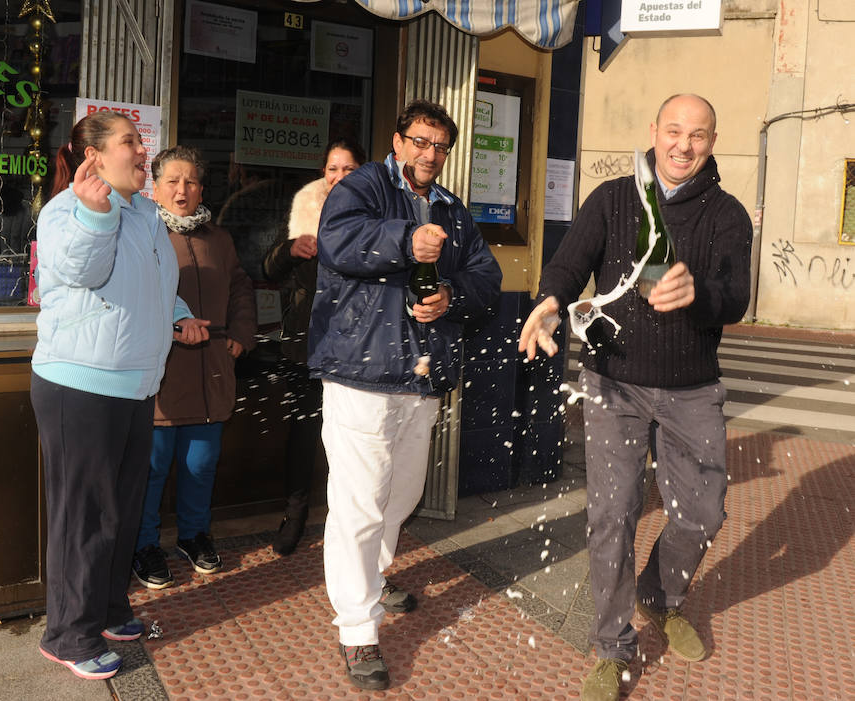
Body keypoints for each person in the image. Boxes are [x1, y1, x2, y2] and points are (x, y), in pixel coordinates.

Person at [519, 94, 753, 701]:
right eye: (673, 131)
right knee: (612, 515)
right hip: (613, 381)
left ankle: (659, 595)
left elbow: (734, 299)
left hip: (692, 388)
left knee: (703, 513)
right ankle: (611, 646)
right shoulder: (614, 199)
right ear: (654, 131)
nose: (683, 145)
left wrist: (695, 294)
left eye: (697, 135)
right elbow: (570, 266)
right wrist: (549, 301)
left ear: (712, 141)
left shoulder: (727, 215)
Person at [309, 99, 502, 690]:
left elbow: (485, 278)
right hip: (361, 370)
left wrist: (451, 295)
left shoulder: (451, 208)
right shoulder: (363, 186)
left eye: (440, 146)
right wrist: (405, 240)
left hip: (422, 374)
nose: (429, 154)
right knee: (360, 502)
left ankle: (374, 574)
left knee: (403, 493)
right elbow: (337, 240)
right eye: (419, 141)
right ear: (397, 142)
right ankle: (358, 630)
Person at [31, 112, 210, 680]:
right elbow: (79, 272)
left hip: (134, 383)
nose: (141, 152)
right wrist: (93, 213)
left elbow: (154, 287)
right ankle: (68, 633)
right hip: (79, 384)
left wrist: (179, 317)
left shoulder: (146, 216)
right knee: (83, 517)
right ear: (93, 156)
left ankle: (107, 608)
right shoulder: (68, 210)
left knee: (121, 511)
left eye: (141, 141)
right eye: (130, 142)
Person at [131, 146, 257, 589]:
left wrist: (241, 335)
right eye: (172, 181)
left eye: (191, 182)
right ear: (156, 187)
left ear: (202, 188)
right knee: (152, 468)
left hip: (213, 370)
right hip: (160, 371)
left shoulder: (218, 239)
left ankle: (194, 535)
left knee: (201, 464)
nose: (182, 191)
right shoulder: (142, 233)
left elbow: (241, 286)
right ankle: (144, 545)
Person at [262, 138, 366, 556]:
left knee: (354, 440)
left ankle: (350, 522)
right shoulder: (305, 208)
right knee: (304, 434)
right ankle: (296, 514)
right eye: (332, 168)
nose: (339, 176)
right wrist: (290, 249)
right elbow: (267, 268)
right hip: (306, 345)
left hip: (357, 347)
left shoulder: (375, 213)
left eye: (348, 168)